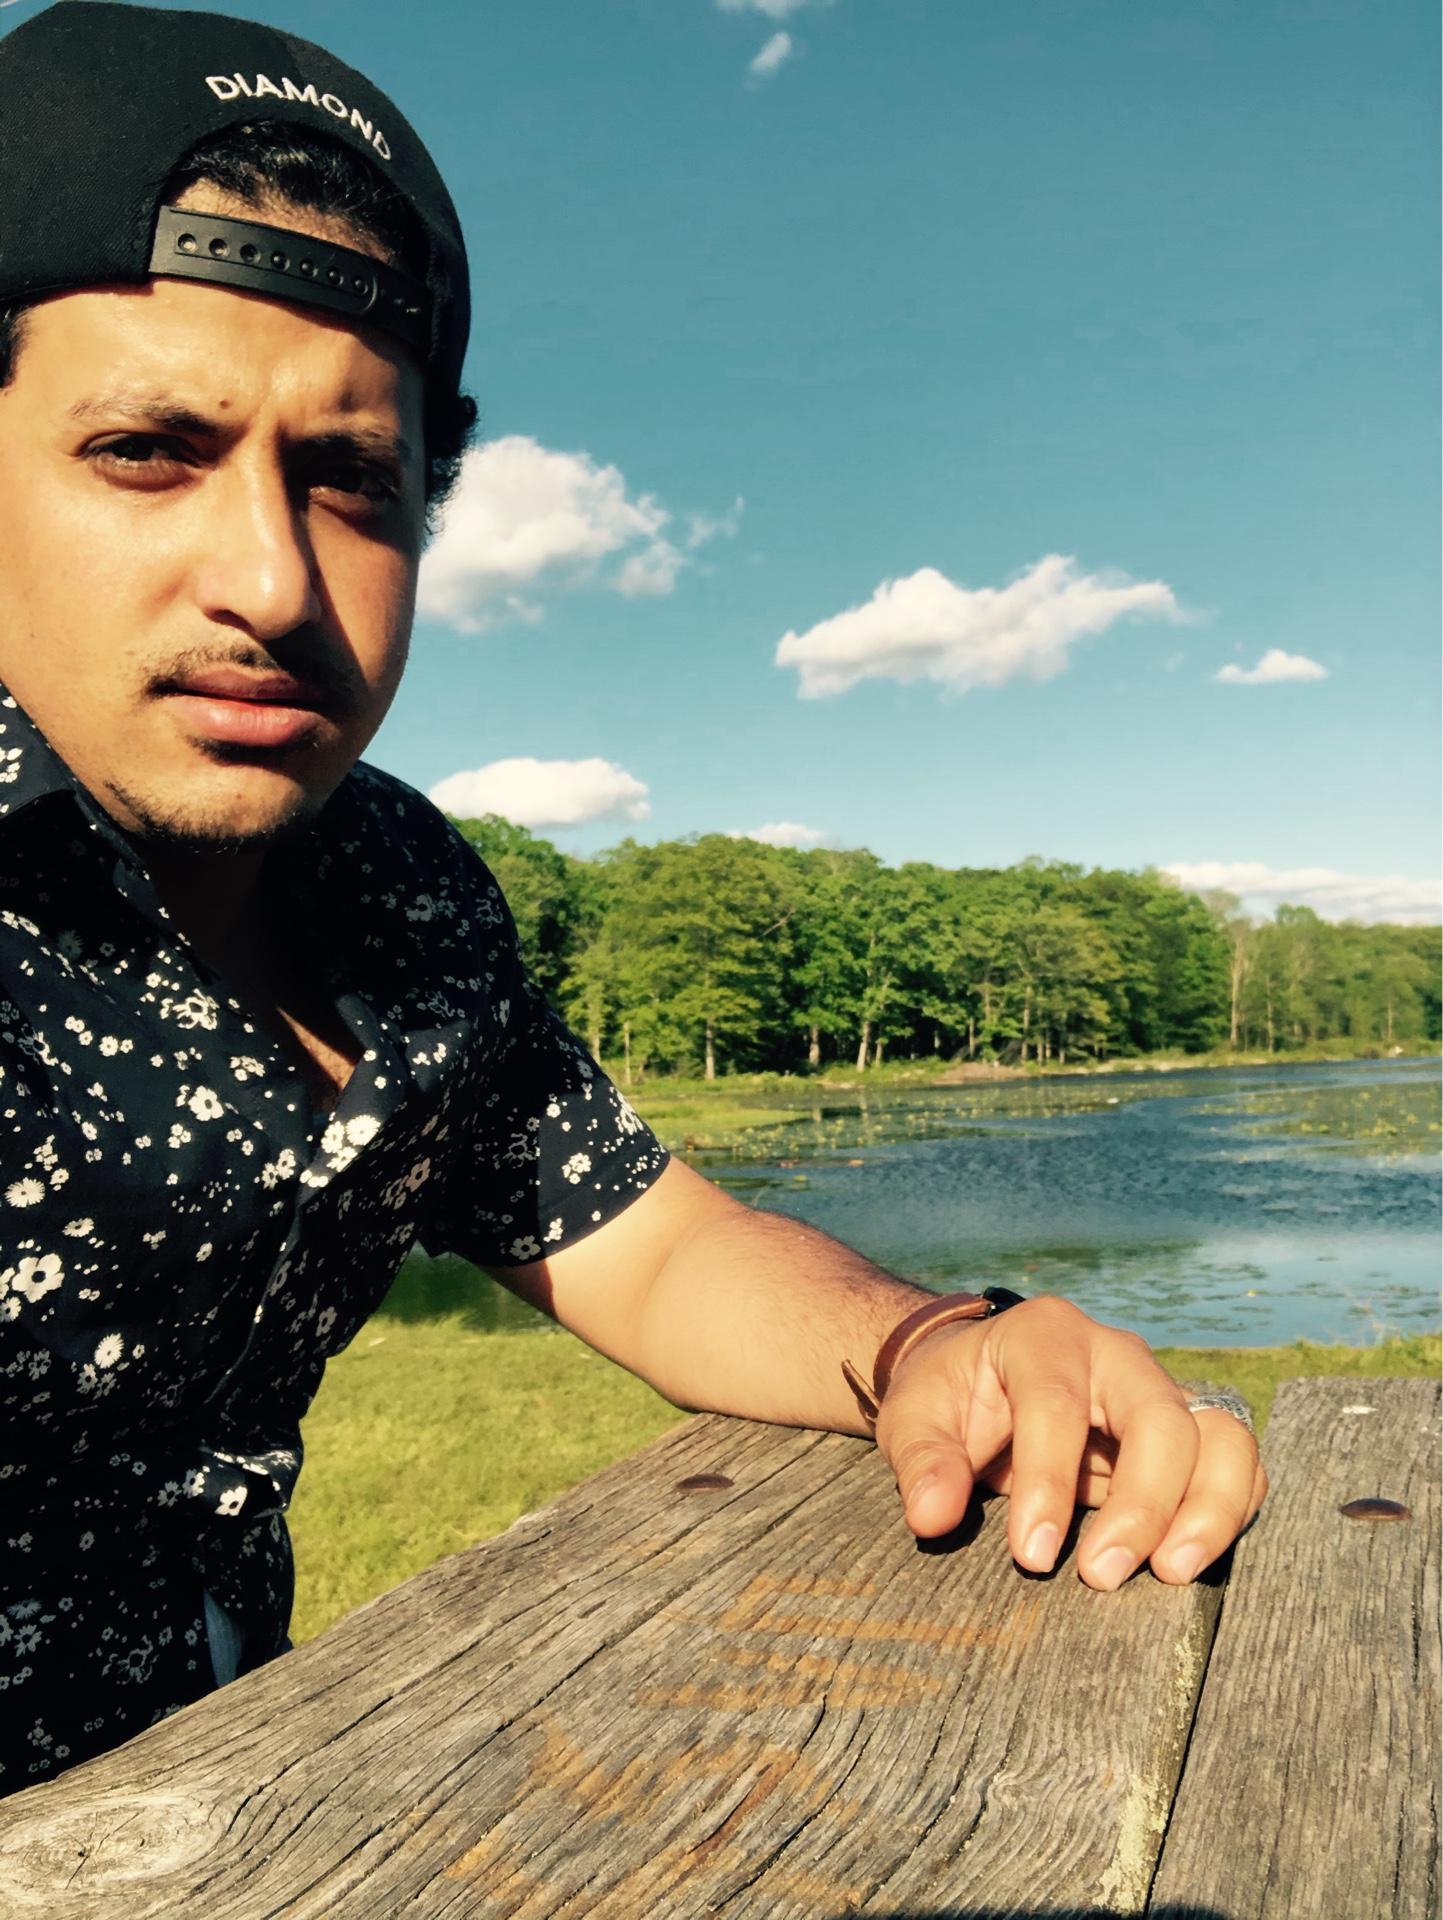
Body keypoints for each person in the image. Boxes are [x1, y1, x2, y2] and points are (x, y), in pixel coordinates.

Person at [0, 0, 1264, 1793]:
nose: (273, 581)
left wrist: (934, 1343)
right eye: (148, 451)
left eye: (352, 480)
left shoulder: (400, 891)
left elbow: (649, 1245)